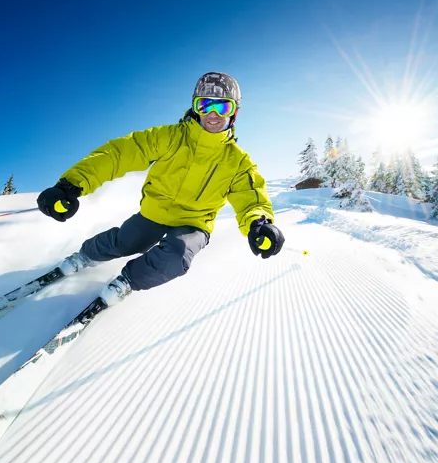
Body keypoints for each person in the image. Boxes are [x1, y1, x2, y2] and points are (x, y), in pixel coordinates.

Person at [36, 72, 285, 306]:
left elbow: (251, 199)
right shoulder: (170, 137)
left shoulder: (238, 162)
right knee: (125, 242)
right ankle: (85, 256)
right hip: (155, 212)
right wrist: (71, 185)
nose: (213, 114)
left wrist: (259, 224)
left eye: (222, 106)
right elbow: (119, 154)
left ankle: (128, 281)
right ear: (195, 107)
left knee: (177, 256)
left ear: (234, 113)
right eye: (205, 104)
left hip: (195, 222)